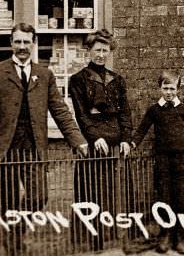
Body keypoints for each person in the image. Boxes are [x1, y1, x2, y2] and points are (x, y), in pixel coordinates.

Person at [0, 22, 88, 250]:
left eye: (27, 42)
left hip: (33, 146)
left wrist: (78, 140)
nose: (22, 46)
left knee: (39, 196)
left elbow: (60, 110)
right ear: (11, 44)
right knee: (8, 200)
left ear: (34, 44)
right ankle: (13, 247)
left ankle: (15, 233)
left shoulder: (44, 75)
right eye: (18, 41)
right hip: (4, 145)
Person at [69, 29, 133, 249]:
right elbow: (81, 114)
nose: (101, 55)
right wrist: (94, 137)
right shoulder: (78, 80)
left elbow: (125, 112)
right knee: (91, 191)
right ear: (89, 51)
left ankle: (116, 237)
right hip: (94, 144)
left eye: (105, 50)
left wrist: (126, 138)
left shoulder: (118, 80)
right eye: (97, 50)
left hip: (116, 144)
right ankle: (92, 241)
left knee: (115, 192)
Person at [131, 71, 184, 254]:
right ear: (160, 88)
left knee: (181, 199)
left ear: (178, 89)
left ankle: (178, 238)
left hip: (182, 160)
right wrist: (132, 143)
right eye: (165, 88)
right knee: (164, 198)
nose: (169, 92)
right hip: (162, 160)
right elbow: (142, 129)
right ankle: (165, 235)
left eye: (172, 88)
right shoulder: (154, 110)